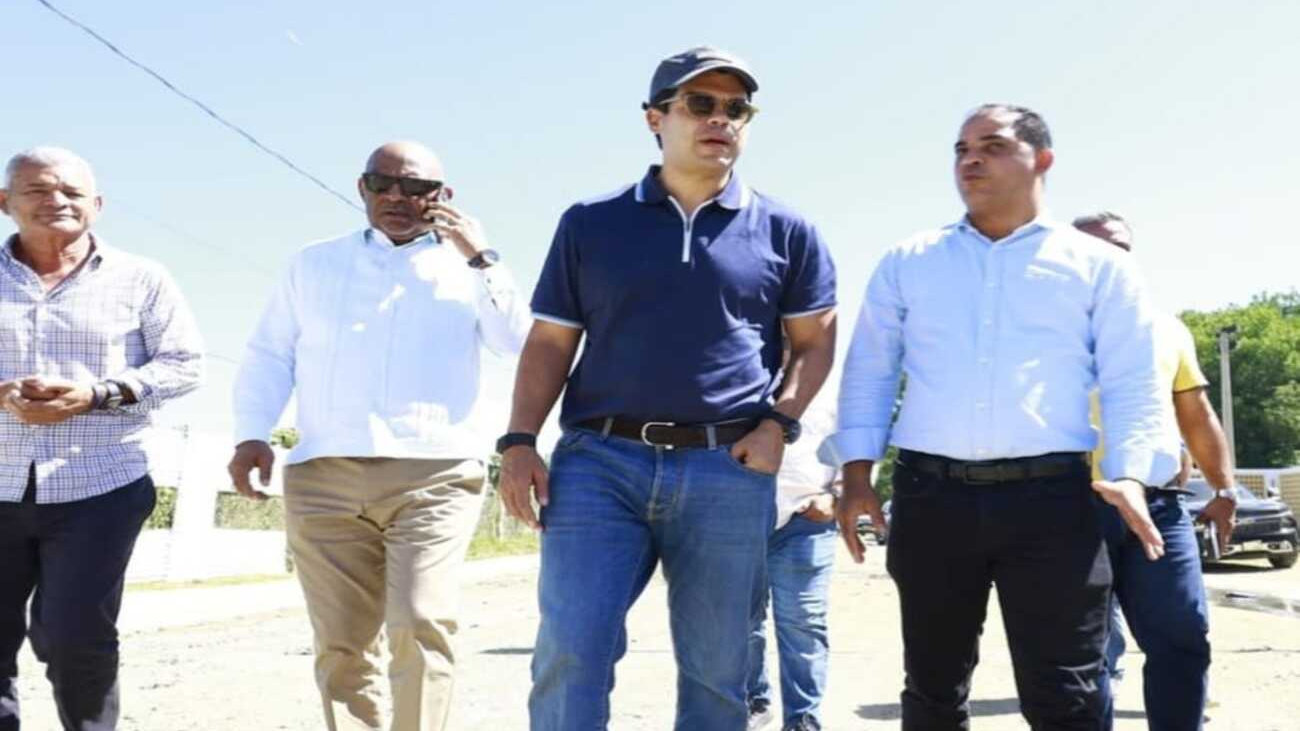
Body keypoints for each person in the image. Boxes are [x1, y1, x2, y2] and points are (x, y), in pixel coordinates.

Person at [497, 46, 838, 730]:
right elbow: (551, 342)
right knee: (571, 650)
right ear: (655, 118)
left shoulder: (787, 230)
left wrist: (779, 423)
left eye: (736, 108)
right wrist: (519, 441)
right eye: (700, 104)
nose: (720, 119)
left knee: (719, 671)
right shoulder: (590, 223)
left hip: (726, 468)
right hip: (599, 465)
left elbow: (815, 340)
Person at [826, 104, 1180, 731]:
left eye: (991, 146)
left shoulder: (1099, 265)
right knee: (932, 689)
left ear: (1042, 159)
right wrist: (857, 473)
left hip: (1054, 504)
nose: (970, 159)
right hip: (931, 499)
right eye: (961, 149)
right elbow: (871, 370)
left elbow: (1131, 378)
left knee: (1066, 695)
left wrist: (1130, 473)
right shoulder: (909, 260)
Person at [227, 141, 529, 731]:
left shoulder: (472, 269)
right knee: (342, 644)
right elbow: (270, 354)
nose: (396, 197)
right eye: (381, 183)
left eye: (415, 187)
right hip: (324, 474)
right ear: (361, 187)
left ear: (442, 196)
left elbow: (516, 341)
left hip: (435, 474)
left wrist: (481, 257)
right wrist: (250, 435)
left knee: (420, 622)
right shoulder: (312, 264)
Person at [0, 147, 204, 731]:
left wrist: (98, 394)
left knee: (75, 637)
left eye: (71, 192)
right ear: (5, 202)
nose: (56, 201)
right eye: (38, 190)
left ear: (97, 204)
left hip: (100, 487)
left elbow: (184, 364)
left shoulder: (141, 278)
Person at [1075, 210, 1234, 730]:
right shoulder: (1041, 329)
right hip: (1070, 509)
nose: (1110, 256)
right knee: (1082, 654)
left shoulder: (1166, 328)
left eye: (1120, 247)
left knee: (1183, 637)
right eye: (1095, 247)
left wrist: (1225, 489)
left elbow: (1196, 414)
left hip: (1160, 507)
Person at [746, 400, 838, 731]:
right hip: (739, 512)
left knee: (803, 621)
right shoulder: (742, 376)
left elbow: (856, 429)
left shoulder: (831, 378)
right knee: (738, 619)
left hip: (806, 516)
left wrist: (837, 496)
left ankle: (802, 718)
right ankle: (753, 701)